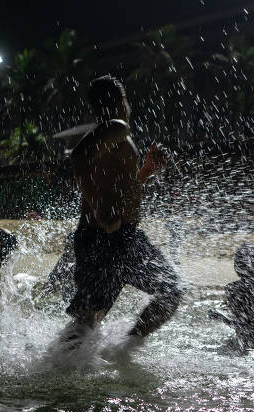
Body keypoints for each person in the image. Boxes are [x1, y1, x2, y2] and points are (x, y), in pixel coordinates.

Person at [64, 75, 181, 343]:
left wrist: (147, 171)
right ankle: (124, 351)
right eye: (126, 100)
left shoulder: (112, 133)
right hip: (108, 238)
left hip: (109, 238)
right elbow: (78, 157)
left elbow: (119, 188)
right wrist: (99, 209)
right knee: (171, 291)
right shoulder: (116, 126)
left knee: (88, 319)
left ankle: (56, 367)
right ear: (120, 101)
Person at [208, 244, 254, 348]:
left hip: (245, 343)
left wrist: (220, 317)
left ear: (237, 265)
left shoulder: (233, 288)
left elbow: (241, 326)